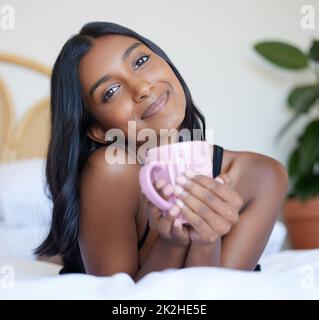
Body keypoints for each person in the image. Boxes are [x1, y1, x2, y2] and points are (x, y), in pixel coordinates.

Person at [35, 21, 288, 282]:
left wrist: (205, 241)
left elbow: (209, 296)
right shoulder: (110, 171)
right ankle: (61, 253)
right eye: (110, 91)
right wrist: (172, 243)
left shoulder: (262, 176)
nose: (143, 88)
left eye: (141, 60)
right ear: (98, 129)